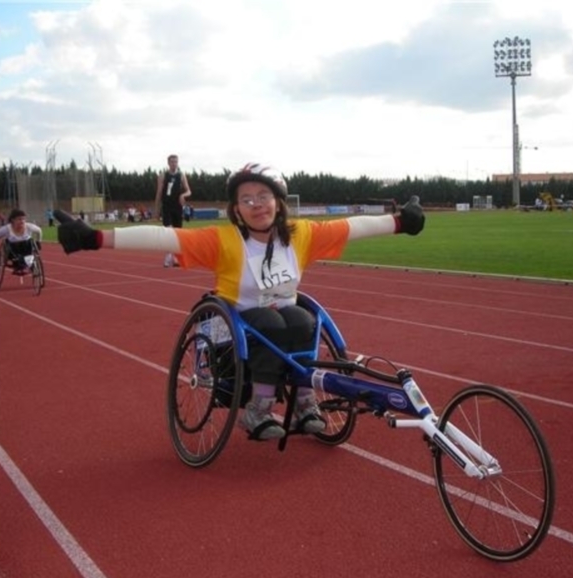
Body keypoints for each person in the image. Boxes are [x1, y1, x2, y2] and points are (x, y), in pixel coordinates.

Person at [54, 162, 424, 440]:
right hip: (239, 321)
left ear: (278, 202)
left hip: (286, 315)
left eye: (263, 197)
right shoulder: (224, 240)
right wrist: (95, 238)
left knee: (303, 321)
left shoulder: (301, 234)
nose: (256, 205)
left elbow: (353, 227)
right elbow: (163, 238)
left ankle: (304, 401)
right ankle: (258, 409)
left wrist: (400, 222)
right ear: (236, 209)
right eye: (246, 199)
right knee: (270, 322)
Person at [154, 154, 191, 267]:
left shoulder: (181, 175)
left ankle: (175, 258)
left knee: (177, 233)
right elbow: (159, 193)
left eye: (176, 162)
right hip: (167, 206)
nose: (174, 164)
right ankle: (168, 256)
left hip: (177, 207)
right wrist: (156, 209)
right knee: (168, 231)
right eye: (172, 162)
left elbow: (189, 191)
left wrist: (183, 195)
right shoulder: (163, 175)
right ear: (168, 163)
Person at [0, 208, 43, 275]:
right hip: (12, 251)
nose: (22, 221)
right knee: (9, 245)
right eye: (19, 219)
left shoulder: (29, 227)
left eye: (23, 219)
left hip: (27, 249)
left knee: (30, 242)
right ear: (13, 220)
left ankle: (27, 264)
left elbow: (39, 231)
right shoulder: (7, 229)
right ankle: (20, 265)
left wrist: (38, 241)